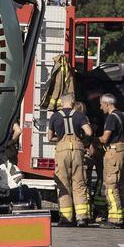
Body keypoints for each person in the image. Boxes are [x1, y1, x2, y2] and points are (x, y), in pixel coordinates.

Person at [47, 93, 93, 226]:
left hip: (62, 151)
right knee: (79, 183)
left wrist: (60, 140)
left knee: (63, 185)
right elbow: (89, 132)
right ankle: (82, 218)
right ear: (72, 101)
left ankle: (66, 219)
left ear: (62, 102)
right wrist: (80, 139)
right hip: (78, 150)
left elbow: (49, 137)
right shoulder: (80, 115)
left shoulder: (55, 116)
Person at [97, 94, 124, 228]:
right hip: (122, 151)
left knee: (111, 187)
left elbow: (105, 138)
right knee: (120, 186)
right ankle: (123, 216)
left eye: (101, 104)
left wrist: (91, 140)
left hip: (114, 152)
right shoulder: (121, 115)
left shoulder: (111, 117)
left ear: (107, 104)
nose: (100, 107)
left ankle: (115, 219)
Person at [0, 143, 39, 210]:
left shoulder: (4, 165)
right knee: (32, 191)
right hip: (7, 191)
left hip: (4, 190)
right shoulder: (5, 163)